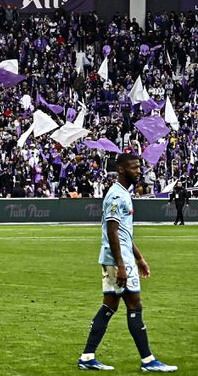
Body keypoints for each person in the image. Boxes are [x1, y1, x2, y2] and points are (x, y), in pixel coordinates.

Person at [77, 153, 177, 372]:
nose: (138, 171)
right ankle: (148, 361)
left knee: (109, 306)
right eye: (134, 168)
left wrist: (139, 257)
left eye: (139, 167)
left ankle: (87, 356)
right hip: (118, 260)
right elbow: (112, 232)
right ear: (121, 169)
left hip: (120, 257)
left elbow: (123, 233)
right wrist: (122, 265)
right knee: (134, 305)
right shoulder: (115, 196)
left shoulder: (123, 193)